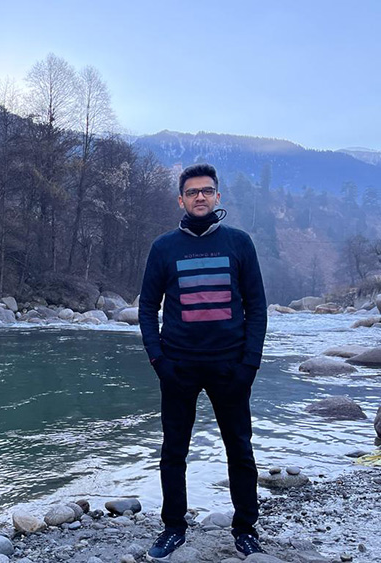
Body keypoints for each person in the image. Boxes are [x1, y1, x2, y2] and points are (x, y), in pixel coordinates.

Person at [139, 163, 267, 561]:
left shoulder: (239, 243)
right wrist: (159, 360)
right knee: (174, 451)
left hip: (230, 366)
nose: (199, 197)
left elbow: (257, 307)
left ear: (217, 197)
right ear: (181, 199)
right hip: (178, 366)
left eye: (206, 191)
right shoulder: (164, 247)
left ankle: (246, 529)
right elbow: (146, 307)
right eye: (192, 192)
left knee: (240, 449)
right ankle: (173, 527)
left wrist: (250, 364)